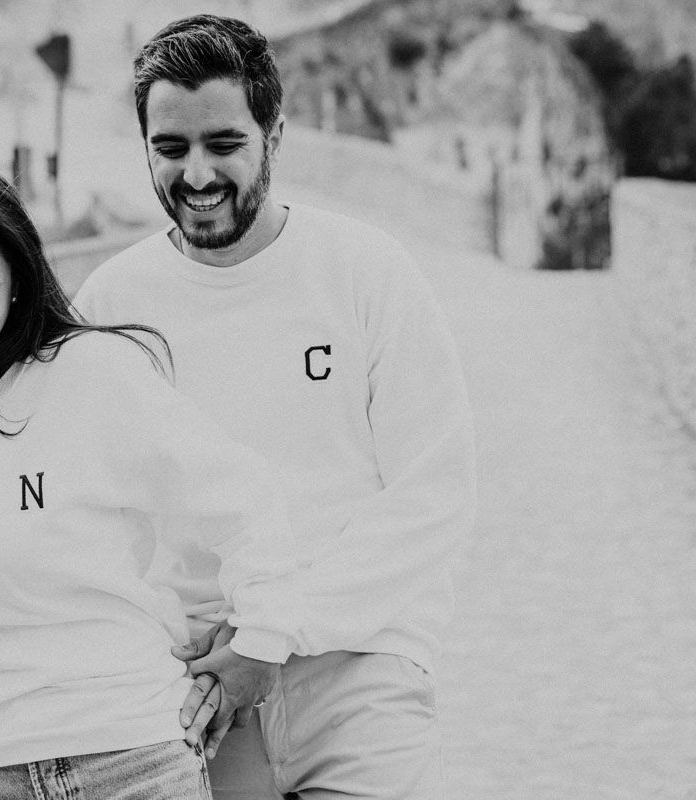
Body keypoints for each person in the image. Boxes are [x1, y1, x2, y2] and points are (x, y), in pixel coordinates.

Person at [73, 14, 477, 800]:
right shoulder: (110, 306)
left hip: (359, 668)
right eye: (171, 148)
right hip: (194, 688)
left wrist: (279, 631)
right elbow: (87, 514)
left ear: (274, 134)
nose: (196, 175)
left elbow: (436, 495)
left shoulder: (366, 273)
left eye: (223, 144)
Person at [0, 156, 305, 799]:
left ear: (16, 285)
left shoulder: (88, 376)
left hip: (131, 755)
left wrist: (262, 641)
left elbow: (244, 500)